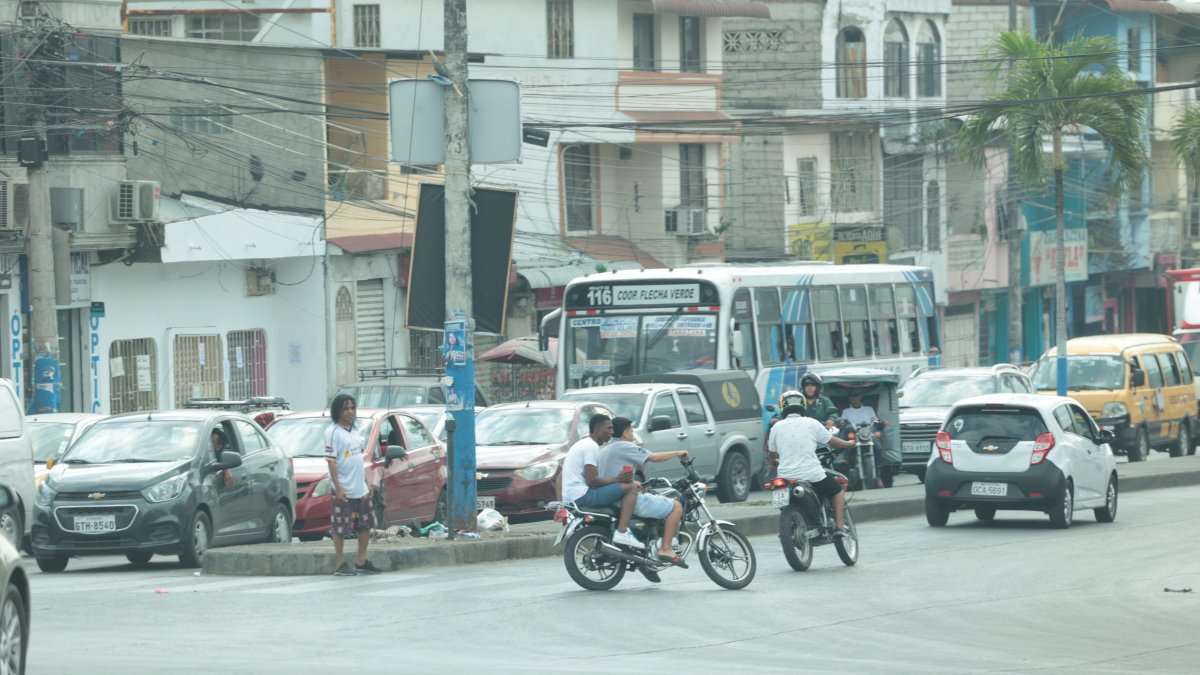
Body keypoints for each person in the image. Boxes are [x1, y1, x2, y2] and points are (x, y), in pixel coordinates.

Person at [597, 417, 689, 568]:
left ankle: (647, 560)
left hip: (611, 497)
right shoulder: (625, 446)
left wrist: (634, 483)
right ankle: (666, 549)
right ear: (625, 433)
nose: (633, 433)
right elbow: (654, 457)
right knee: (676, 506)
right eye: (631, 430)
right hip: (627, 499)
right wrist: (678, 453)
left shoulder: (605, 449)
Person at [767, 389, 857, 537]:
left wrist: (774, 462)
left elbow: (771, 452)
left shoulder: (776, 427)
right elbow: (832, 441)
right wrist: (848, 443)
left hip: (784, 477)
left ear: (783, 406)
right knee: (836, 491)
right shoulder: (811, 423)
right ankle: (840, 526)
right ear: (802, 405)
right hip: (811, 473)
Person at [559, 413, 642, 548]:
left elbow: (559, 478)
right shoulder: (591, 447)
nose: (612, 432)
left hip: (571, 498)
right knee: (631, 487)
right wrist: (618, 479)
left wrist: (563, 503)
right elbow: (592, 481)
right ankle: (622, 531)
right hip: (583, 496)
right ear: (598, 429)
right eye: (609, 428)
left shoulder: (579, 444)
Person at [325, 394, 382, 576]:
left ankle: (361, 560)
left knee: (365, 525)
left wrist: (366, 482)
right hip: (344, 489)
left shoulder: (355, 431)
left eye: (352, 408)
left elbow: (357, 459)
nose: (350, 412)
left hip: (360, 489)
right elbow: (331, 462)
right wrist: (339, 488)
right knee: (340, 528)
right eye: (346, 408)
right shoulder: (333, 432)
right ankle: (340, 563)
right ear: (338, 411)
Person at [841, 390, 890, 488]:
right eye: (851, 396)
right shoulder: (846, 411)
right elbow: (842, 423)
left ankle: (877, 476)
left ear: (860, 396)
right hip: (855, 436)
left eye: (856, 395)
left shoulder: (869, 409)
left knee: (879, 449)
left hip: (868, 435)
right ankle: (845, 459)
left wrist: (881, 423)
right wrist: (842, 423)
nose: (853, 398)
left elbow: (875, 421)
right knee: (848, 441)